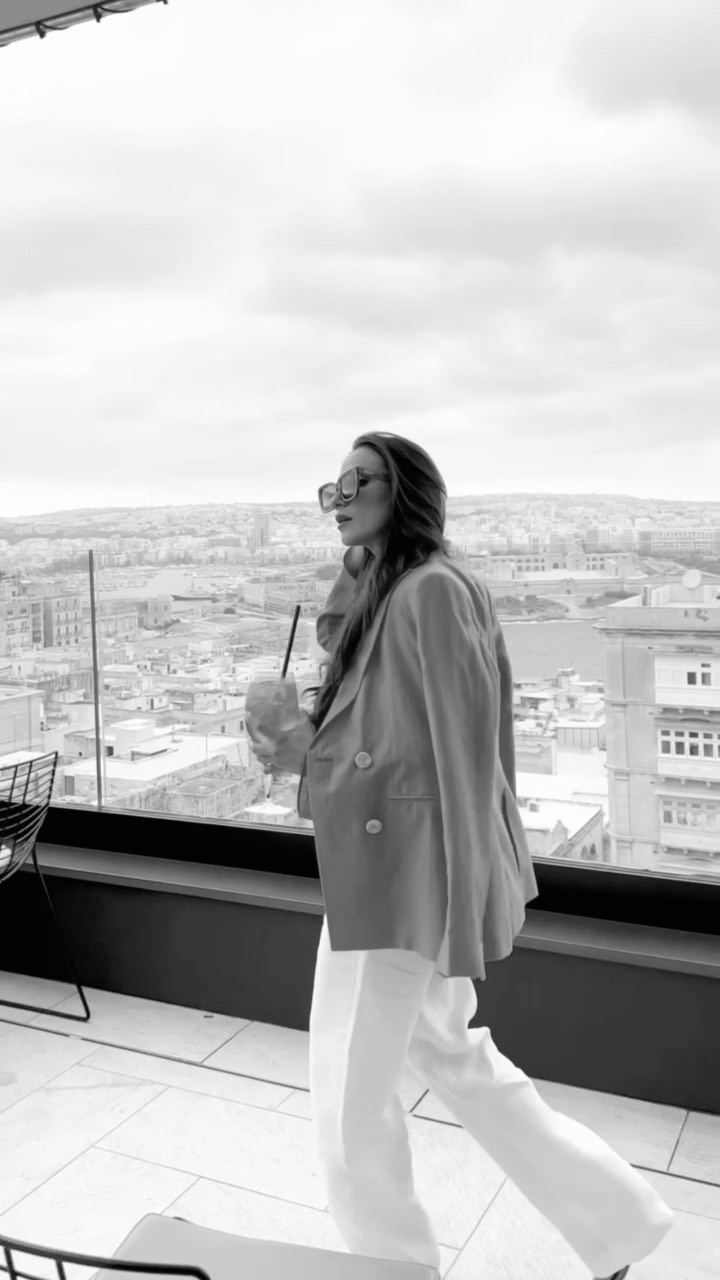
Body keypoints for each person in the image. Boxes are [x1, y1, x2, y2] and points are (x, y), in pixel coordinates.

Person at [250, 432, 674, 1280]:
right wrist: (311, 729)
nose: (340, 500)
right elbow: (390, 727)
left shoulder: (433, 591)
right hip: (400, 872)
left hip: (406, 881)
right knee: (456, 1059)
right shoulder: (399, 586)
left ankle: (393, 1269)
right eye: (332, 489)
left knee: (346, 1106)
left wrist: (314, 761)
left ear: (405, 491)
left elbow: (459, 750)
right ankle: (620, 1223)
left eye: (359, 483)